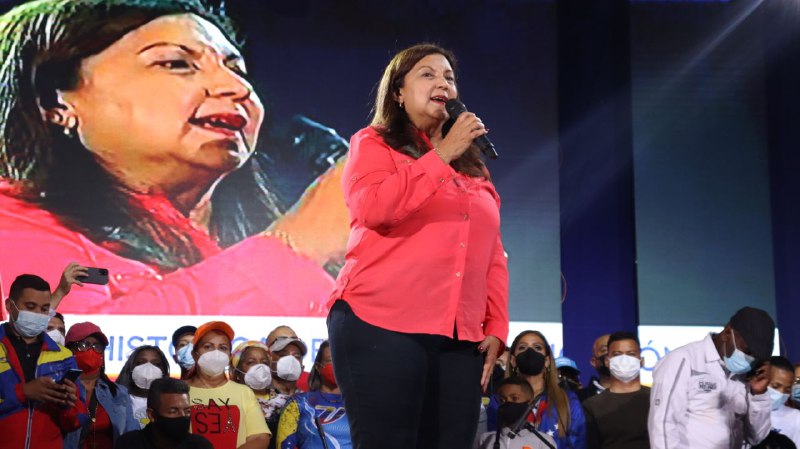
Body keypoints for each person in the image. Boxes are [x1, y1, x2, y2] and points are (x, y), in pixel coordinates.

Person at [0, 0, 349, 316]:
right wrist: (296, 247)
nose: (237, 88)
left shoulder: (242, 241)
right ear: (55, 103)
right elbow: (69, 363)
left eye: (237, 69)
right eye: (177, 63)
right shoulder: (11, 226)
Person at [327, 42, 509, 449]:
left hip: (460, 337)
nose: (442, 82)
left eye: (449, 76)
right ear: (398, 93)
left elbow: (491, 251)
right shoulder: (373, 144)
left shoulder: (473, 166)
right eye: (427, 74)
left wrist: (496, 323)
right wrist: (442, 154)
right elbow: (376, 209)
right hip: (381, 321)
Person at [648, 306, 775, 449]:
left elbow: (756, 437)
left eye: (756, 357)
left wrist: (759, 394)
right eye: (747, 351)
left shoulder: (749, 376)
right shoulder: (683, 360)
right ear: (727, 333)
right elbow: (663, 424)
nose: (750, 359)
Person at [0, 273, 88, 448]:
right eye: (30, 306)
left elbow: (77, 420)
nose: (38, 314)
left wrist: (67, 405)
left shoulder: (63, 356)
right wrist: (22, 393)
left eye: (44, 309)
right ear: (10, 305)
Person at [488, 331, 586, 449]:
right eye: (522, 347)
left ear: (547, 361)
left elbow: (578, 444)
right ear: (513, 361)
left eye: (537, 347)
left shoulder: (568, 400)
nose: (530, 352)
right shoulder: (498, 400)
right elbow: (491, 440)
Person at [186, 321, 270, 449]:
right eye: (208, 346)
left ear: (229, 356)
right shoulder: (178, 391)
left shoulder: (244, 392)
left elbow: (260, 437)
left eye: (223, 348)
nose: (216, 352)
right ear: (195, 354)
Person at [64, 321, 139, 449]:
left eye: (97, 346)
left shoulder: (118, 393)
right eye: (83, 345)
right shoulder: (60, 388)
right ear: (68, 350)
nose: (91, 350)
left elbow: (132, 435)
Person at [277, 340, 352, 448]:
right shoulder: (298, 403)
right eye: (330, 360)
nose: (337, 365)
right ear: (318, 367)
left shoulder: (358, 406)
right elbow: (284, 445)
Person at [583, 331, 650, 449]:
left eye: (631, 354)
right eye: (617, 354)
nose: (624, 359)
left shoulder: (657, 399)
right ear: (607, 361)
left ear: (641, 361)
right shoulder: (592, 405)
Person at [114, 377, 213, 449]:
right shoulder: (128, 444)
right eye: (173, 411)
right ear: (152, 415)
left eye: (187, 411)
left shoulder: (199, 446)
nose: (183, 416)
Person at [476, 376, 557, 449]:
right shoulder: (486, 439)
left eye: (514, 398)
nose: (508, 403)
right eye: (502, 400)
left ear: (530, 403)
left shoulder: (543, 441)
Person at [117, 345, 171, 428]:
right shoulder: (115, 400)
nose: (148, 367)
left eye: (156, 364)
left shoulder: (170, 402)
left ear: (163, 371)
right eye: (140, 363)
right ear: (131, 368)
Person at [768, 356, 800, 446]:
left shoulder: (796, 418)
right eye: (775, 386)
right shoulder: (740, 408)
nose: (780, 393)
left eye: (787, 390)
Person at [267, 326, 310, 390]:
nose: (290, 360)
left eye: (296, 356)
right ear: (268, 356)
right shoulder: (254, 392)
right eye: (283, 355)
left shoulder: (310, 382)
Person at [579, 334, 611, 402]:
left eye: (616, 352)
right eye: (605, 350)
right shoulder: (579, 398)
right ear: (593, 362)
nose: (611, 355)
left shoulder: (637, 395)